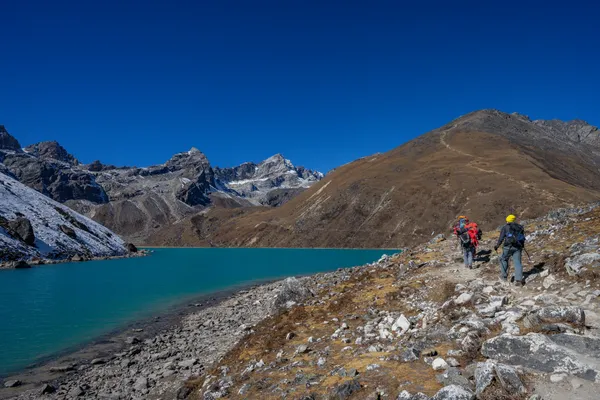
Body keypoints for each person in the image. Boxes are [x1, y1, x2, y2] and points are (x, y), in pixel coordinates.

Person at [494, 214, 526, 286]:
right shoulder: (520, 227)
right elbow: (522, 238)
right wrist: (522, 246)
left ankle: (504, 277)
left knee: (503, 259)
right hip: (518, 247)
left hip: (508, 247)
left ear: (507, 220)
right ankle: (519, 280)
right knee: (517, 262)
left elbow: (501, 238)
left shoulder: (505, 227)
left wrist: (497, 246)